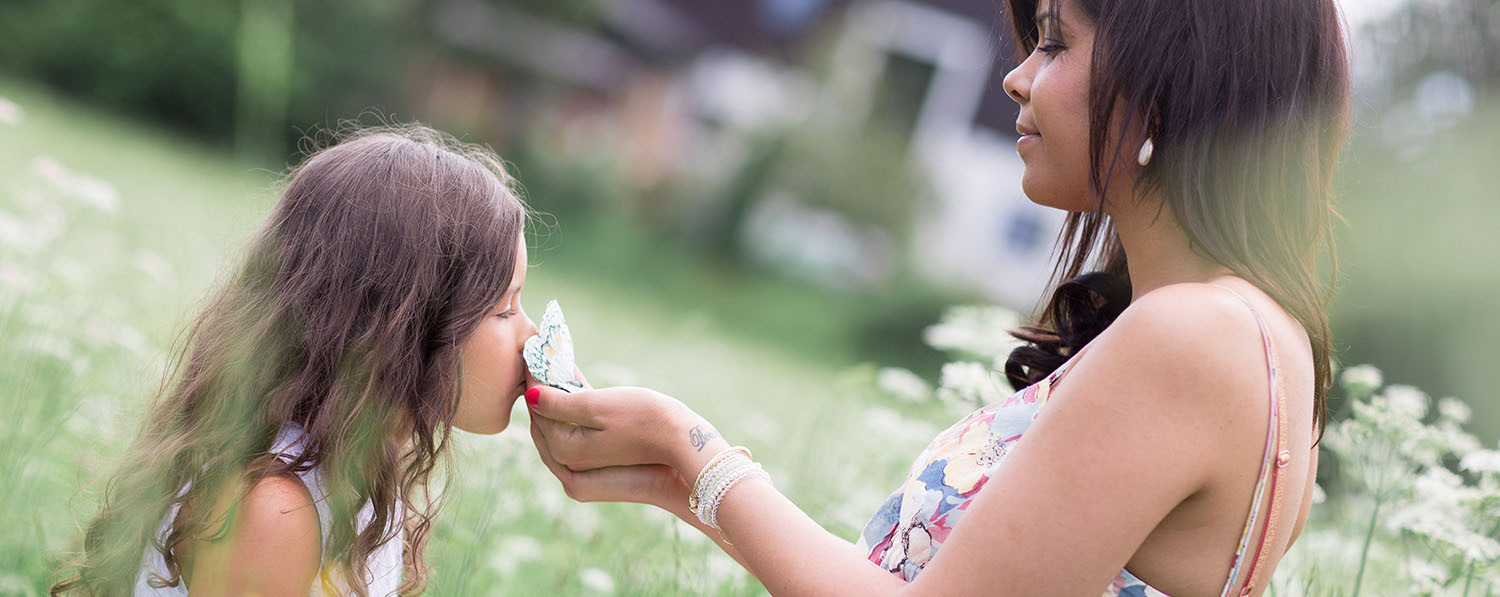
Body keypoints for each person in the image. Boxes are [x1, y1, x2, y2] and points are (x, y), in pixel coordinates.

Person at [523, 0, 1350, 594]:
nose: (1017, 79)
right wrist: (677, 475)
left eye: (1055, 44)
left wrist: (690, 442)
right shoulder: (1265, 336)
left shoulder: (1190, 335)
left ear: (1170, 88)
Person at [51, 125, 538, 596]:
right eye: (505, 309)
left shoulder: (355, 475)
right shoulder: (275, 510)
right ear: (403, 329)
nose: (531, 334)